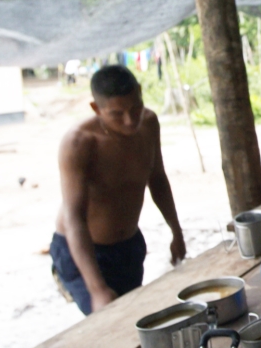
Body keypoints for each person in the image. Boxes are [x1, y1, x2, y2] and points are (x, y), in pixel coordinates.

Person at [50, 65, 185, 315]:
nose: (129, 119)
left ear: (141, 93)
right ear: (96, 109)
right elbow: (74, 217)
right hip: (83, 251)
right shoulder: (79, 142)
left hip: (128, 246)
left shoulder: (149, 123)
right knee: (109, 321)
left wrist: (176, 231)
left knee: (136, 320)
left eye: (135, 107)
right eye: (116, 114)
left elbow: (157, 179)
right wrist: (97, 288)